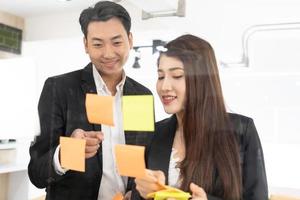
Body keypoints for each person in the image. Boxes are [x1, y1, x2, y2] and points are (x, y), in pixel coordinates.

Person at [28, 1, 153, 200]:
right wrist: (68, 153)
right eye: (97, 44)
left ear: (130, 40)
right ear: (86, 44)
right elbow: (36, 173)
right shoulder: (59, 89)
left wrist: (137, 193)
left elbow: (142, 160)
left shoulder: (142, 96)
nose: (108, 53)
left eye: (117, 42)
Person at [132, 34, 268, 200]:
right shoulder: (154, 133)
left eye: (177, 76)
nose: (164, 86)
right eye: (160, 76)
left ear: (201, 79)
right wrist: (144, 193)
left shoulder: (241, 130)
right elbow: (137, 193)